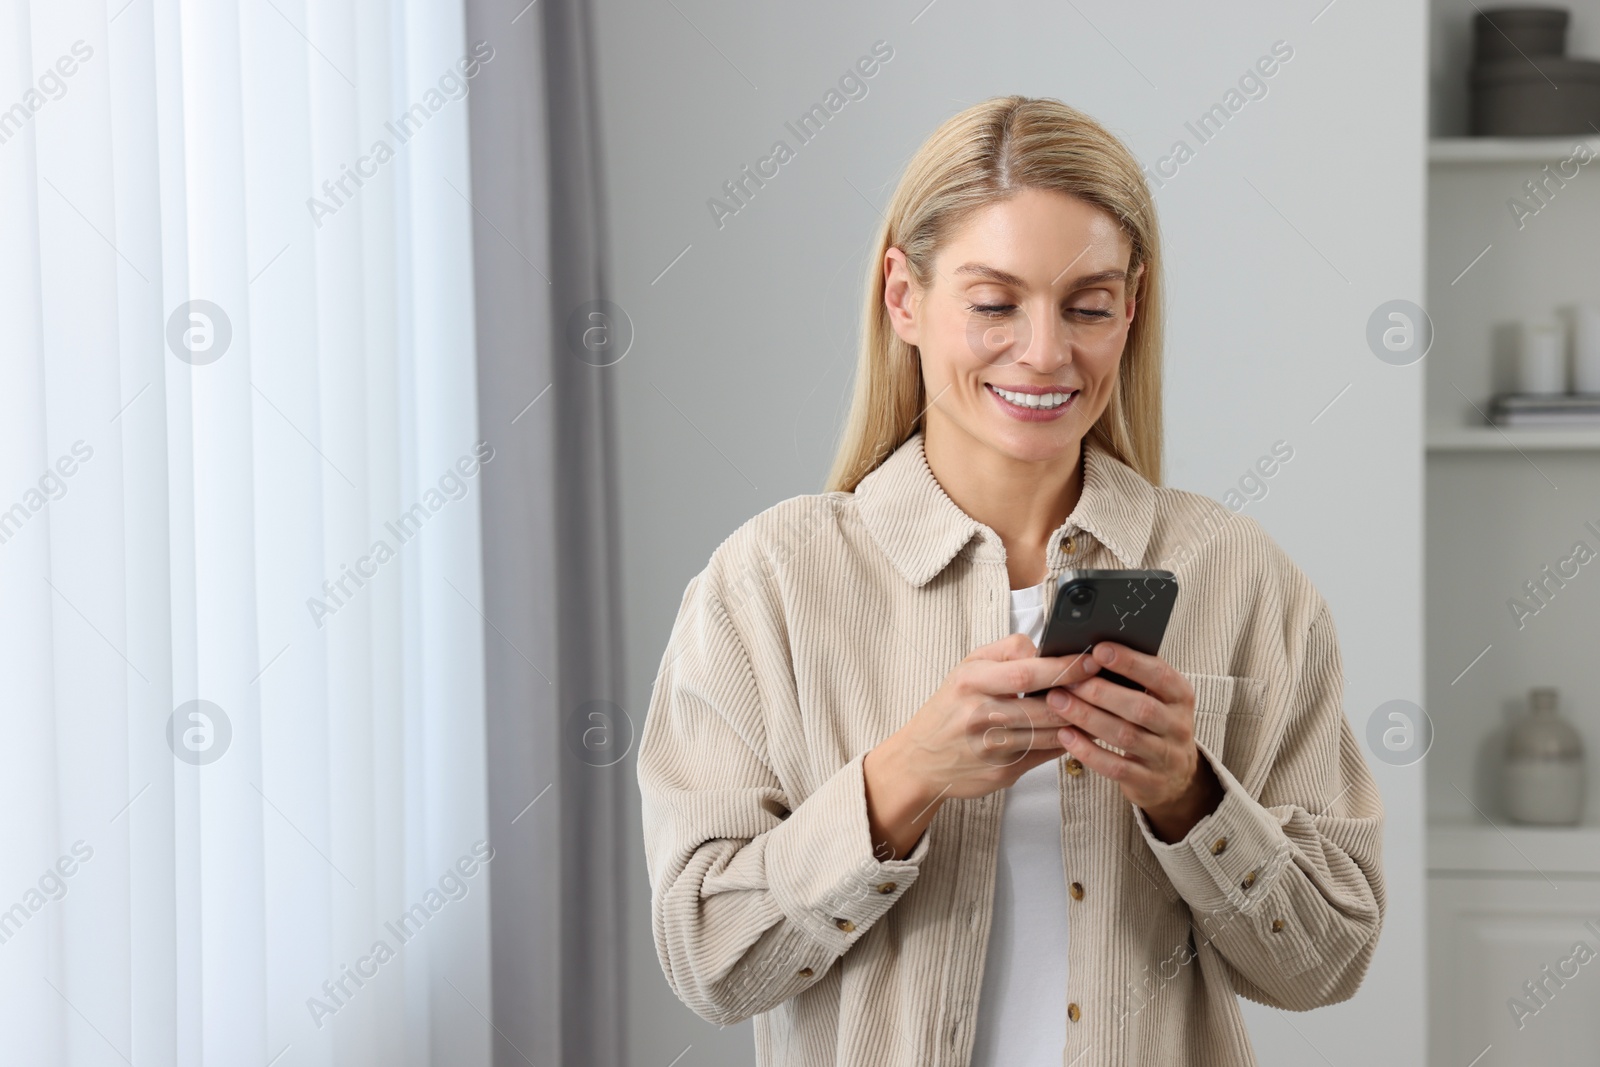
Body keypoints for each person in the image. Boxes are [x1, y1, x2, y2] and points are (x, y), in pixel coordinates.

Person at [636, 95, 1385, 1066]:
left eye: (1087, 305)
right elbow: (710, 961)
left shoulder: (1239, 576)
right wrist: (905, 778)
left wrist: (1190, 796)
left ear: (1133, 307)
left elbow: (1326, 961)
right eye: (993, 303)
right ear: (903, 296)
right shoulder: (766, 587)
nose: (1044, 352)